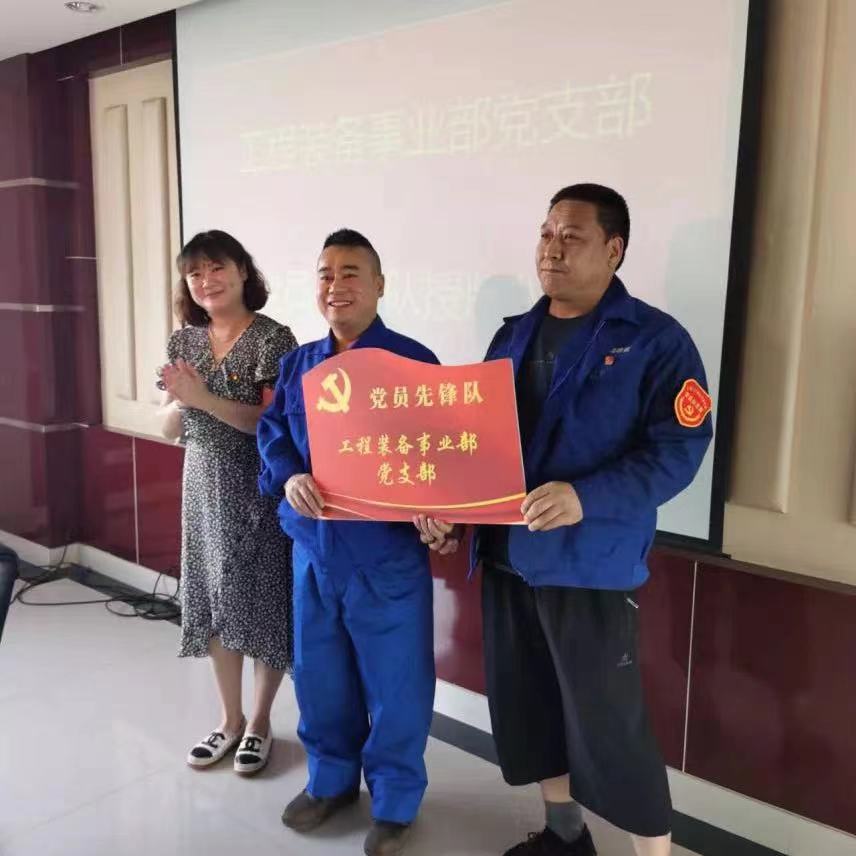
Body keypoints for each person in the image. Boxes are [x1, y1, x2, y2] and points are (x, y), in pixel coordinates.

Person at [415, 184, 713, 856]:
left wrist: (586, 497)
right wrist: (453, 514)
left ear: (614, 249)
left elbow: (680, 450)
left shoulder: (656, 341)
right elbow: (481, 446)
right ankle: (563, 835)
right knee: (531, 709)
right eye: (546, 233)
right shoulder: (512, 335)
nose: (552, 248)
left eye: (572, 236)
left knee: (611, 726)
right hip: (507, 558)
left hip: (590, 565)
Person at [258, 229, 437, 856]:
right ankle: (330, 781)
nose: (336, 285)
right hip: (313, 551)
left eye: (351, 273)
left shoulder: (414, 364)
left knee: (396, 684)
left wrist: (441, 514)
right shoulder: (299, 364)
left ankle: (394, 801)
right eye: (325, 274)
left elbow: (444, 454)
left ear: (379, 285)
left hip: (386, 555)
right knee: (320, 675)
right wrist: (290, 477)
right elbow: (274, 435)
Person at [159, 229, 297, 775]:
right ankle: (229, 719)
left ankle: (260, 722)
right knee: (213, 596)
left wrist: (200, 397)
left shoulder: (272, 338)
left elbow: (269, 423)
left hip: (256, 484)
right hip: (200, 483)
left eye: (217, 268)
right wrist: (180, 402)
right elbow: (171, 425)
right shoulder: (184, 342)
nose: (206, 281)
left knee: (261, 601)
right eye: (195, 273)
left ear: (243, 271)